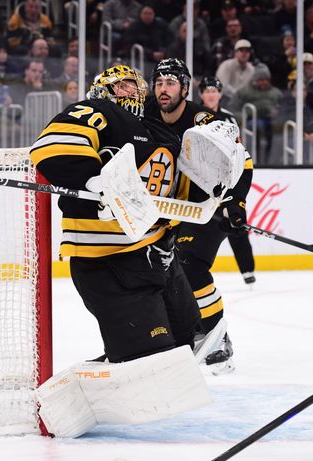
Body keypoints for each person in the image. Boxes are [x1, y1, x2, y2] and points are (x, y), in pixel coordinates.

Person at [30, 65, 211, 438]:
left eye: (136, 84)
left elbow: (180, 195)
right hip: (109, 260)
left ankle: (98, 377)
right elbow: (52, 146)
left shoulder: (160, 131)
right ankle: (63, 405)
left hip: (158, 259)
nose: (134, 90)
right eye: (124, 84)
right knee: (148, 362)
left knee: (185, 343)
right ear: (103, 90)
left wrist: (219, 194)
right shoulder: (101, 112)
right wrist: (91, 179)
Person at [146, 59, 254, 375]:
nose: (163, 89)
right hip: (169, 209)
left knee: (190, 264)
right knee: (160, 270)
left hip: (206, 207)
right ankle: (188, 331)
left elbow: (243, 160)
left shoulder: (203, 120)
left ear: (184, 87)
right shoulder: (146, 113)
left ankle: (217, 338)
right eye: (159, 83)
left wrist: (236, 201)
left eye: (170, 83)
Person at [199, 75, 256, 286]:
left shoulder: (229, 118)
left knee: (235, 219)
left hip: (226, 176)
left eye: (214, 91)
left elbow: (237, 148)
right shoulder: (194, 114)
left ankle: (247, 270)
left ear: (220, 94)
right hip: (201, 177)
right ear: (201, 94)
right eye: (207, 91)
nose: (211, 95)